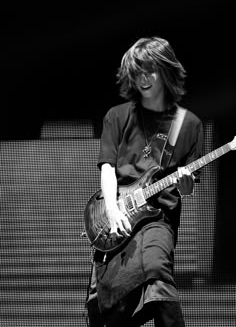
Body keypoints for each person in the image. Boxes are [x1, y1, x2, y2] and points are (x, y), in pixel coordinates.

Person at [85, 36, 204, 327]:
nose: (143, 78)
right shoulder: (117, 116)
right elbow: (108, 168)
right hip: (116, 216)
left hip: (157, 219)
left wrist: (186, 183)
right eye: (137, 71)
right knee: (104, 306)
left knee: (156, 274)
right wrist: (112, 210)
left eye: (150, 69)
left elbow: (186, 187)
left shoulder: (188, 124)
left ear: (166, 70)